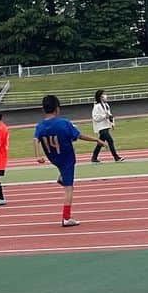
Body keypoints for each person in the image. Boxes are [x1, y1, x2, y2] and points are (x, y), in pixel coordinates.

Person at [33, 94, 103, 227]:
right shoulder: (64, 123)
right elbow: (79, 135)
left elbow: (35, 139)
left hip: (53, 157)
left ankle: (62, 178)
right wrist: (96, 139)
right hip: (67, 159)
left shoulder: (39, 126)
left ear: (43, 109)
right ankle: (66, 217)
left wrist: (38, 155)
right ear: (57, 109)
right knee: (69, 189)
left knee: (63, 173)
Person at [90, 89, 124, 163]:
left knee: (100, 142)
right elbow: (95, 117)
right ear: (100, 96)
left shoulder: (106, 105)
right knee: (110, 141)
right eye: (103, 94)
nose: (105, 96)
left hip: (106, 126)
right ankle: (116, 157)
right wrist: (104, 116)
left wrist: (112, 123)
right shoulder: (97, 106)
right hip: (101, 127)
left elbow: (110, 115)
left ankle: (94, 157)